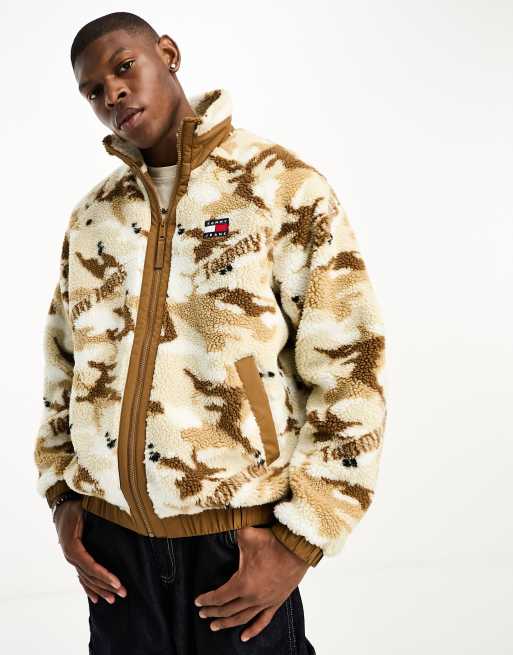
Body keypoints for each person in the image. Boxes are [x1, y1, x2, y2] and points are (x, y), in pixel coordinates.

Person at [34, 11, 387, 654]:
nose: (113, 93)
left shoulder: (280, 186)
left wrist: (302, 539)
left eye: (124, 67)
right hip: (114, 554)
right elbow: (65, 363)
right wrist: (62, 497)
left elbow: (349, 366)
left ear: (167, 54)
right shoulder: (93, 217)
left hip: (236, 542)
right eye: (92, 90)